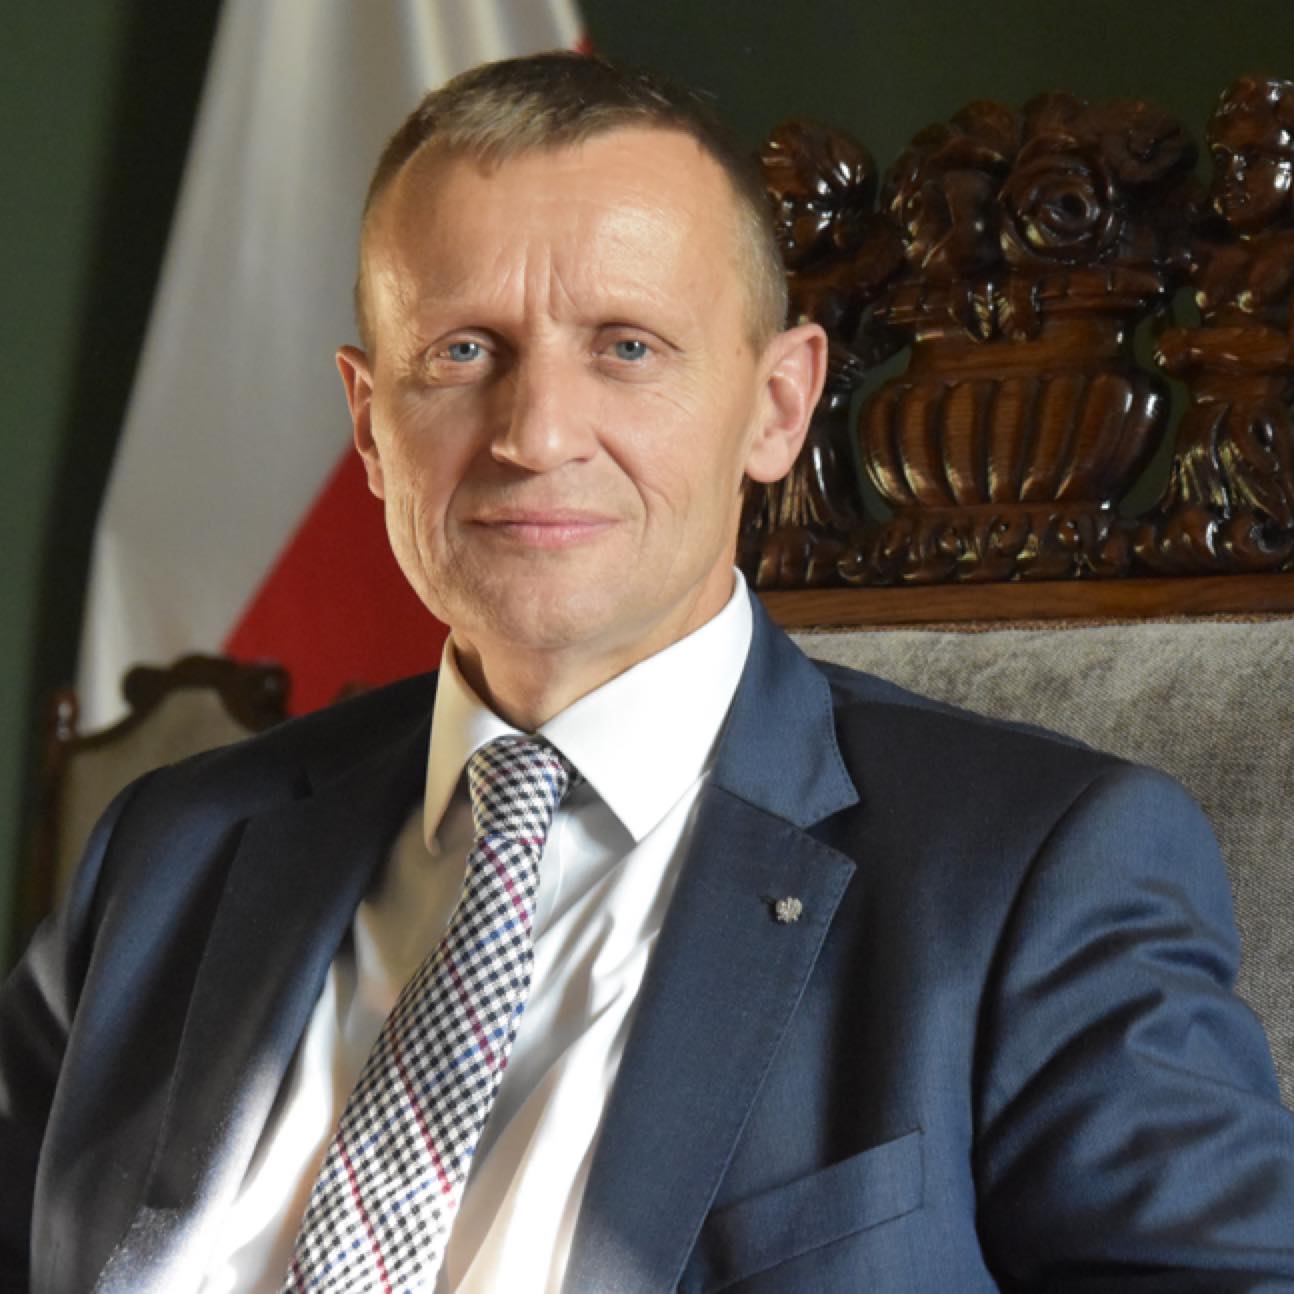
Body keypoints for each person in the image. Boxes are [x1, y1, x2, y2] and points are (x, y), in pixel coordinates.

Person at [3, 52, 1294, 1294]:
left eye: (625, 346)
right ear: (369, 423)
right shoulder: (171, 852)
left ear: (777, 405)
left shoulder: (1030, 877)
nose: (534, 434)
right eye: (462, 351)